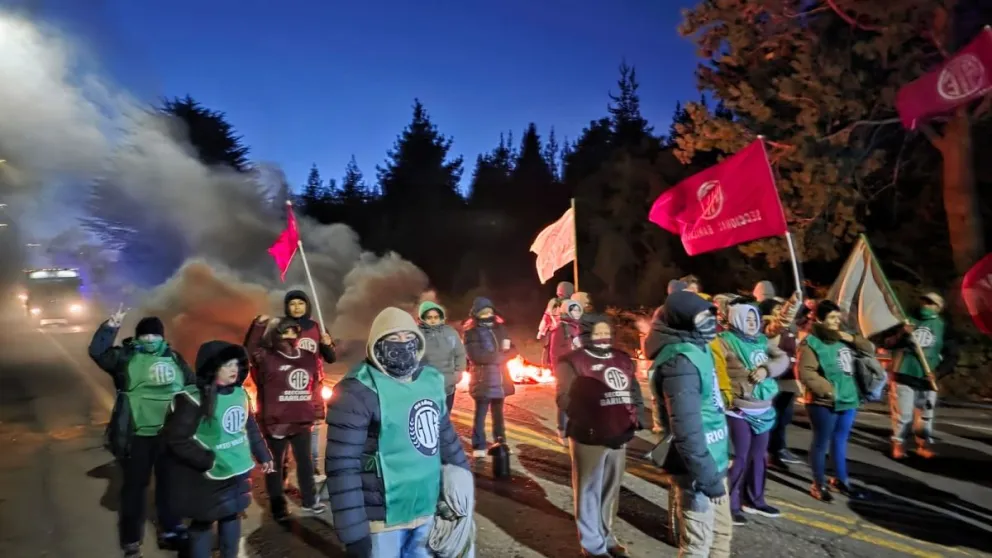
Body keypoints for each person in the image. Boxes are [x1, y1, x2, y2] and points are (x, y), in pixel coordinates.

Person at [325, 307, 470, 558]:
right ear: (376, 344)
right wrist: (353, 533)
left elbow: (445, 438)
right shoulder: (357, 391)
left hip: (426, 510)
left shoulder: (430, 380)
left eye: (408, 337)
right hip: (382, 518)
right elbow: (342, 466)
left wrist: (462, 490)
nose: (402, 345)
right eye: (393, 339)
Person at [88, 308, 193, 557]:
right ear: (137, 338)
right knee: (135, 489)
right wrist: (111, 326)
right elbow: (98, 352)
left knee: (170, 486)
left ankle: (171, 528)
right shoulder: (125, 357)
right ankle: (131, 540)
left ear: (162, 337)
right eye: (144, 336)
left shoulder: (174, 358)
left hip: (168, 435)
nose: (149, 340)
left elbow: (191, 386)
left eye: (154, 336)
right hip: (136, 435)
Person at [161, 341, 274, 558]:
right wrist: (207, 460)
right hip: (208, 475)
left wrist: (263, 454)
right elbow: (176, 439)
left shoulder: (240, 394)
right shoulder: (192, 398)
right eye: (227, 364)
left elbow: (249, 427)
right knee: (203, 523)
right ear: (211, 367)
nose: (235, 369)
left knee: (232, 515)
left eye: (237, 364)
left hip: (237, 469)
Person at [647, 290, 732, 558]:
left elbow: (711, 407)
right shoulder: (679, 361)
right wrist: (708, 478)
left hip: (712, 460)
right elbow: (686, 431)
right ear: (684, 322)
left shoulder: (696, 346)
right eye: (702, 318)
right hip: (697, 471)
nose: (710, 324)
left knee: (720, 536)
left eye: (710, 316)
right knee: (697, 546)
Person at [556, 314, 646, 558]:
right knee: (588, 490)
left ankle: (607, 536)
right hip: (589, 436)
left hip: (619, 434)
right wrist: (590, 418)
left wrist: (636, 419)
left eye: (606, 332)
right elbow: (564, 398)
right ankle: (592, 545)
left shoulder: (622, 359)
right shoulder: (572, 361)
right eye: (597, 333)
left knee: (610, 490)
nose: (603, 337)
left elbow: (633, 390)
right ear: (586, 334)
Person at [711, 300, 790, 525]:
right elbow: (717, 371)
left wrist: (767, 369)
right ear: (735, 319)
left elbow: (782, 358)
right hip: (738, 409)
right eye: (747, 318)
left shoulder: (761, 341)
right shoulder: (724, 341)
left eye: (755, 318)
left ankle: (755, 499)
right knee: (740, 457)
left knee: (759, 457)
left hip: (763, 408)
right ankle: (731, 504)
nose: (753, 322)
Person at [245, 290, 335, 481]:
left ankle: (313, 471)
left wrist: (327, 344)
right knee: (281, 438)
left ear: (307, 305)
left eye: (300, 303)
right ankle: (281, 473)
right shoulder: (279, 327)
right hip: (283, 390)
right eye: (292, 303)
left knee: (310, 432)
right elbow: (258, 353)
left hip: (311, 387)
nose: (297, 307)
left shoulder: (317, 328)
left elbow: (330, 358)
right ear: (287, 306)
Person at [249, 318, 327, 520]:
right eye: (285, 332)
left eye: (294, 332)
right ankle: (278, 505)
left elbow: (315, 385)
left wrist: (317, 410)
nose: (290, 336)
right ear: (276, 334)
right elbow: (249, 350)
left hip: (301, 418)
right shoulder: (266, 356)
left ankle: (310, 500)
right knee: (274, 465)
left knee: (305, 463)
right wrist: (258, 326)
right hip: (276, 421)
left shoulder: (308, 357)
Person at [797, 300, 874, 502]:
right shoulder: (810, 343)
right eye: (832, 317)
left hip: (849, 399)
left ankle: (841, 480)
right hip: (823, 403)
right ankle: (818, 484)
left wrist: (849, 337)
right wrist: (830, 392)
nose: (836, 322)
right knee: (821, 443)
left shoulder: (844, 338)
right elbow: (806, 373)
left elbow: (869, 350)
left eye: (838, 317)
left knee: (840, 441)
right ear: (820, 319)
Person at [885, 292, 958, 459]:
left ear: (939, 308)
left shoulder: (944, 327)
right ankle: (899, 444)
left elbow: (952, 354)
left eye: (930, 303)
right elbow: (888, 343)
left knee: (925, 415)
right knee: (903, 414)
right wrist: (902, 334)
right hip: (904, 374)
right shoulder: (907, 322)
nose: (926, 305)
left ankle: (923, 445)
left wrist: (938, 372)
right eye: (924, 301)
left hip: (927, 379)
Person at [464, 296, 517, 458]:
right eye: (483, 312)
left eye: (489, 311)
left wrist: (506, 354)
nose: (487, 315)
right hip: (483, 379)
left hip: (500, 378)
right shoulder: (471, 332)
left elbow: (513, 349)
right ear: (476, 314)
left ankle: (501, 441)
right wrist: (501, 357)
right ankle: (478, 445)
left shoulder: (499, 328)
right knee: (480, 413)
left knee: (498, 414)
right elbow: (476, 356)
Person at [759, 296, 804, 469]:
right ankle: (769, 451)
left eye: (781, 308)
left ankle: (777, 449)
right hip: (775, 379)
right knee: (774, 417)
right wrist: (792, 304)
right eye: (777, 309)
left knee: (784, 416)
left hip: (788, 378)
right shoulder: (769, 328)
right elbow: (780, 323)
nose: (780, 312)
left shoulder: (787, 329)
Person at [418, 301, 468, 416]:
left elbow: (460, 353)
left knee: (445, 417)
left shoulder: (450, 332)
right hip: (426, 387)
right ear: (422, 318)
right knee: (428, 418)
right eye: (429, 317)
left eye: (436, 317)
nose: (433, 320)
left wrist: (458, 373)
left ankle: (443, 434)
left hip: (448, 385)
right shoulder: (417, 334)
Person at [549, 299, 584, 445]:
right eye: (573, 310)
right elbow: (554, 352)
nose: (576, 313)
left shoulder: (575, 327)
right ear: (566, 311)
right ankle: (562, 431)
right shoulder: (560, 329)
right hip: (565, 371)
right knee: (564, 400)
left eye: (577, 310)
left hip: (576, 370)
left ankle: (573, 429)